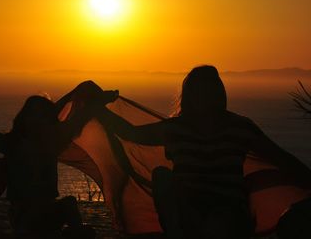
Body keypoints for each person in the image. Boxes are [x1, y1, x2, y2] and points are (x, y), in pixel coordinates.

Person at [96, 65, 311, 239]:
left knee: (217, 221)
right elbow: (131, 134)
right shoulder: (177, 128)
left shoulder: (240, 127)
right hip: (187, 209)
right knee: (162, 176)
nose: (204, 97)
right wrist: (98, 109)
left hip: (227, 212)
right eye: (200, 91)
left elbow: (280, 158)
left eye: (209, 91)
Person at [0, 81, 117, 239]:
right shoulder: (15, 143)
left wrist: (100, 101)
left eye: (41, 116)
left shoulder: (49, 142)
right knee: (69, 211)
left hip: (44, 214)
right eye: (33, 115)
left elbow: (79, 119)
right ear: (24, 118)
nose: (37, 121)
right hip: (24, 217)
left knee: (71, 210)